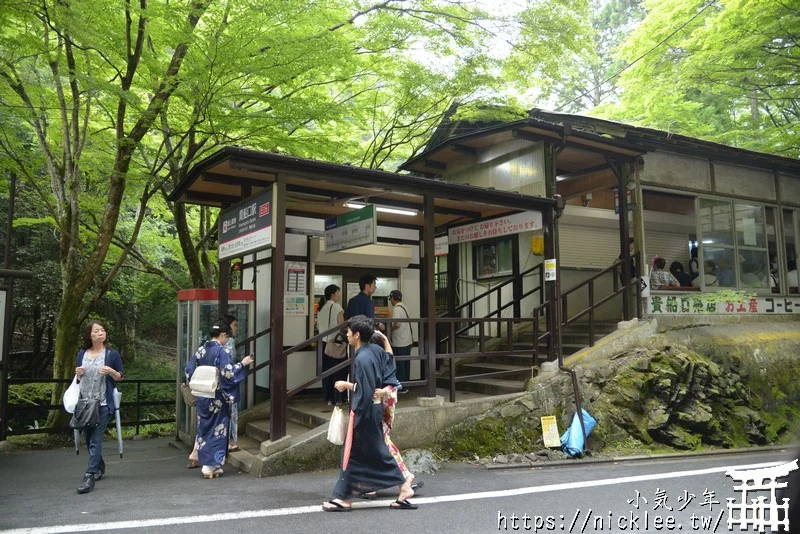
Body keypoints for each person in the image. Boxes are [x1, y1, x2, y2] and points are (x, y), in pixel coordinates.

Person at [322, 315, 416, 512]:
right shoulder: (375, 350)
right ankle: (403, 486)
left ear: (357, 335)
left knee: (355, 454)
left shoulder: (363, 357)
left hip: (365, 411)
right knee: (375, 452)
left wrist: (357, 411)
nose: (346, 335)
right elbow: (390, 364)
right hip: (374, 409)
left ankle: (345, 498)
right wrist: (386, 341)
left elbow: (365, 392)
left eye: (348, 332)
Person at [185, 320, 253, 479]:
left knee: (204, 428)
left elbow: (189, 371)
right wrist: (242, 364)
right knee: (218, 429)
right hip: (216, 397)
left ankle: (210, 463)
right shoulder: (222, 352)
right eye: (227, 337)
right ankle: (209, 466)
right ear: (223, 335)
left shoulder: (200, 350)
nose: (227, 340)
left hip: (202, 396)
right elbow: (228, 374)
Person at [74, 320, 124, 494]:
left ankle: (89, 475)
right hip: (85, 404)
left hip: (102, 403)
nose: (101, 333)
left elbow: (119, 377)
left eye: (103, 330)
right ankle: (99, 465)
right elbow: (78, 380)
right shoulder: (82, 354)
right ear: (90, 335)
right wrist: (78, 374)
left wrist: (110, 371)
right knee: (88, 440)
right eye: (97, 330)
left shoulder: (111, 354)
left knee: (95, 439)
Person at [318, 284, 347, 406]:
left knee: (327, 373)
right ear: (333, 294)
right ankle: (338, 398)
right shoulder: (336, 307)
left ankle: (328, 398)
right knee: (339, 372)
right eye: (338, 293)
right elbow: (342, 324)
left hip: (324, 345)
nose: (339, 295)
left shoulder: (322, 307)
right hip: (335, 345)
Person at [223, 314, 241, 452]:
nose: (236, 328)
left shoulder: (212, 342)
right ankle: (231, 441)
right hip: (229, 382)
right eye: (234, 325)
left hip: (218, 383)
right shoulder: (230, 342)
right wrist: (243, 364)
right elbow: (230, 363)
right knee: (232, 411)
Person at [388, 290, 412, 383]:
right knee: (406, 364)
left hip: (399, 342)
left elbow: (397, 324)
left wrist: (389, 329)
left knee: (400, 365)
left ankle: (401, 386)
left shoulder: (397, 309)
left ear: (394, 299)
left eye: (391, 299)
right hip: (407, 340)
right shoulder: (405, 307)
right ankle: (407, 385)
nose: (390, 301)